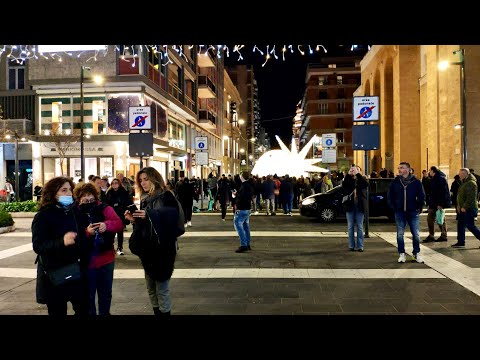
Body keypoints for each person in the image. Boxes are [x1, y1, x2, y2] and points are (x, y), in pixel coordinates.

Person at [32, 176, 91, 317]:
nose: (69, 193)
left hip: (76, 270)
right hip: (55, 273)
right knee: (57, 310)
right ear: (53, 193)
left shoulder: (74, 212)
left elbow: (81, 237)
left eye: (70, 190)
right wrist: (61, 242)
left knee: (83, 308)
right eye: (64, 190)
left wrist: (87, 233)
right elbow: (38, 246)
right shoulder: (43, 216)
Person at [125, 167, 181, 315]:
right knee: (150, 288)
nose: (143, 183)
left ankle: (164, 312)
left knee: (161, 288)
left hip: (162, 249)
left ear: (154, 178)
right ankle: (157, 312)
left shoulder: (166, 196)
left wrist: (149, 214)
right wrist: (134, 220)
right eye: (141, 180)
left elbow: (172, 218)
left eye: (146, 179)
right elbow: (146, 224)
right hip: (148, 249)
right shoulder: (145, 198)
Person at [74, 183, 123, 316]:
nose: (88, 203)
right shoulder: (75, 212)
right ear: (79, 199)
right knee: (88, 296)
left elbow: (118, 223)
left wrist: (106, 225)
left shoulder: (105, 208)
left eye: (91, 200)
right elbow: (73, 235)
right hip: (86, 261)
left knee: (105, 294)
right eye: (85, 200)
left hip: (106, 259)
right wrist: (87, 232)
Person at [387, 162, 425, 263]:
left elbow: (421, 195)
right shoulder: (395, 182)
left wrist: (419, 206)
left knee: (416, 234)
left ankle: (416, 253)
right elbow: (390, 196)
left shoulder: (416, 182)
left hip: (412, 211)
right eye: (399, 168)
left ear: (408, 170)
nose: (399, 170)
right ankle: (402, 254)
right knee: (400, 234)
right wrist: (393, 207)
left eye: (402, 168)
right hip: (399, 212)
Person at [451, 168, 480, 248]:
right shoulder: (465, 182)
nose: (459, 175)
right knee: (460, 224)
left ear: (465, 174)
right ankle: (460, 242)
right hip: (463, 208)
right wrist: (459, 205)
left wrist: (464, 207)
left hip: (469, 208)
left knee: (470, 225)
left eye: (460, 174)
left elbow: (471, 197)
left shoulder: (471, 183)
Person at [342, 165, 368, 251]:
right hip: (350, 205)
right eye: (353, 170)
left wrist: (358, 174)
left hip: (360, 206)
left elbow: (365, 185)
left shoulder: (362, 179)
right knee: (350, 226)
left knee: (360, 226)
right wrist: (348, 175)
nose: (354, 171)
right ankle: (351, 245)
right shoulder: (349, 179)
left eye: (357, 170)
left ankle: (360, 246)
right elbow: (344, 187)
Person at [105, 178, 133, 255]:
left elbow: (128, 202)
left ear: (119, 184)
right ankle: (111, 247)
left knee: (120, 232)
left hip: (121, 214)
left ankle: (120, 247)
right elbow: (106, 203)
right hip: (112, 215)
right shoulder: (109, 193)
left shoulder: (123, 192)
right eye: (113, 183)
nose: (114, 184)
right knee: (111, 232)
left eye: (116, 183)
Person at [423, 166, 451, 243]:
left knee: (440, 219)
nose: (429, 172)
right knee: (432, 219)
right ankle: (433, 235)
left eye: (430, 171)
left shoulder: (440, 179)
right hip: (434, 202)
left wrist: (441, 204)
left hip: (438, 203)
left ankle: (442, 235)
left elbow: (444, 192)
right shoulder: (435, 179)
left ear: (433, 171)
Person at [234, 171, 254, 253]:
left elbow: (242, 197)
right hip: (247, 208)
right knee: (246, 225)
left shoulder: (244, 186)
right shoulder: (249, 185)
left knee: (238, 224)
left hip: (242, 208)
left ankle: (243, 244)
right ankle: (247, 243)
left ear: (242, 177)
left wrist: (236, 195)